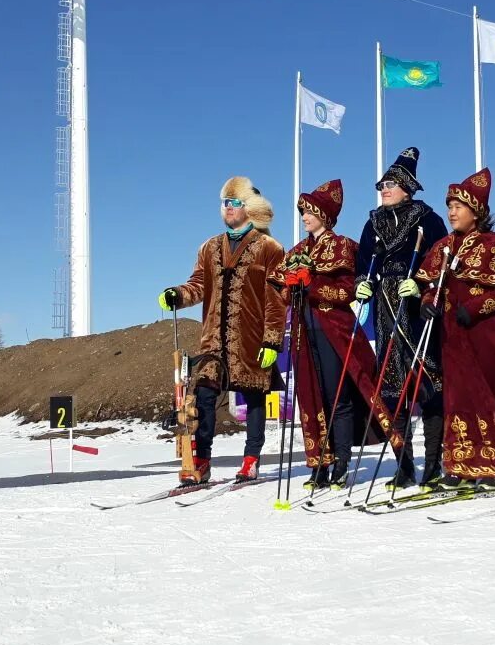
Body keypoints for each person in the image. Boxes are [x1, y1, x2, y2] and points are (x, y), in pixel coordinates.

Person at [405, 168, 495, 491]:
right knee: (459, 398)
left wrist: (475, 308)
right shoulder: (443, 247)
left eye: (458, 206)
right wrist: (428, 302)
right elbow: (428, 284)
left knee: (493, 393)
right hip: (452, 337)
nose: (451, 211)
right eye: (449, 206)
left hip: (485, 334)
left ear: (476, 212)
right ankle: (462, 465)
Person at [158, 177, 286, 485]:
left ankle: (251, 459)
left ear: (248, 208)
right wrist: (178, 294)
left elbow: (276, 298)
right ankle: (201, 460)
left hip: (252, 338)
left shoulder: (269, 248)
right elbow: (199, 285)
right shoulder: (210, 247)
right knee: (203, 395)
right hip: (213, 338)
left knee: (254, 397)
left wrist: (272, 340)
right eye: (224, 203)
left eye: (234, 203)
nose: (228, 209)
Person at [271, 180, 383, 490]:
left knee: (337, 397)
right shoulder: (298, 250)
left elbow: (347, 291)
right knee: (310, 397)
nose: (304, 217)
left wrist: (313, 285)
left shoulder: (343, 246)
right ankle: (320, 462)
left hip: (334, 330)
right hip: (304, 331)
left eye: (308, 211)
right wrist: (290, 286)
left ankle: (343, 462)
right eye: (302, 212)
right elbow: (280, 289)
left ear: (324, 214)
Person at [354, 147, 448, 491]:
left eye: (390, 183)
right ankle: (404, 466)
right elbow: (364, 263)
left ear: (407, 185)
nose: (384, 189)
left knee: (428, 386)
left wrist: (424, 280)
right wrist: (361, 283)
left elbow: (442, 258)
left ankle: (434, 465)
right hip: (385, 306)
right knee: (393, 389)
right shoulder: (373, 222)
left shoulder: (429, 219)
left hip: (417, 307)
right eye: (381, 184)